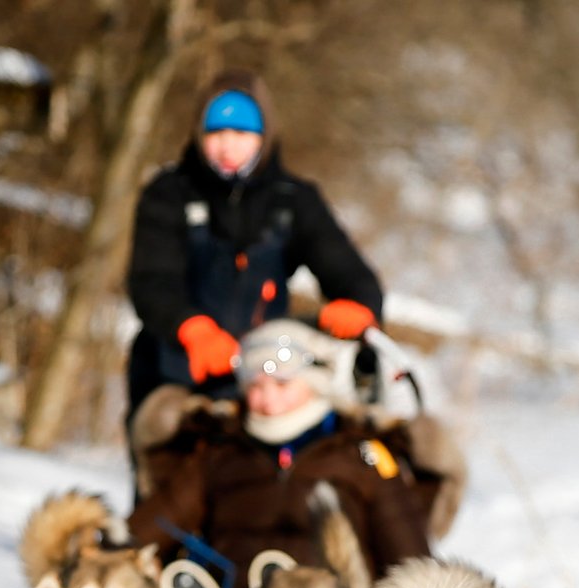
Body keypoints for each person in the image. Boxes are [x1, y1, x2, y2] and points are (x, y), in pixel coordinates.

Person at [126, 68, 385, 486]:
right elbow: (152, 280)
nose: (228, 145)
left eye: (242, 133)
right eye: (217, 132)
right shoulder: (167, 194)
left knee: (262, 497)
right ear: (199, 134)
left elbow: (347, 268)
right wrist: (190, 329)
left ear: (263, 136)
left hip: (264, 383)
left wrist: (360, 305)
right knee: (171, 498)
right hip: (174, 376)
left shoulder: (294, 201)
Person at [126, 319, 435, 588]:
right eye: (256, 387)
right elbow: (152, 526)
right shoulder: (220, 451)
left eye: (282, 384)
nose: (268, 400)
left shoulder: (360, 454)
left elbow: (409, 558)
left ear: (315, 382)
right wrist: (106, 554)